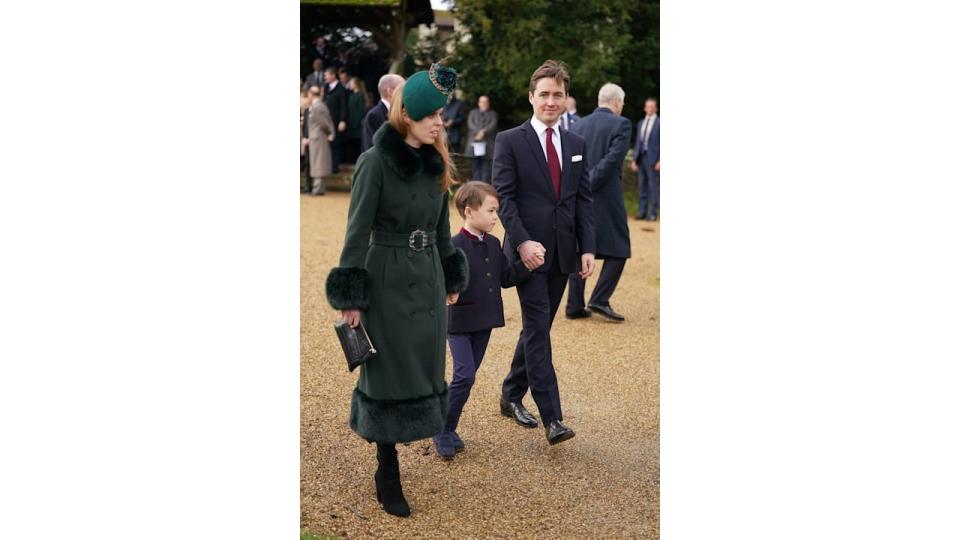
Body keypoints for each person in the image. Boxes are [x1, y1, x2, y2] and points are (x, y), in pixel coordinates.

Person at [325, 63, 468, 518]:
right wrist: (351, 296)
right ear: (407, 116)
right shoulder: (374, 162)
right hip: (384, 276)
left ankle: (412, 441)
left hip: (426, 277)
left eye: (441, 116)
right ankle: (387, 469)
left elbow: (442, 228)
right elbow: (356, 231)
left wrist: (450, 275)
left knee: (423, 364)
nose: (439, 123)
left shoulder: (434, 162)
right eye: (431, 116)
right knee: (386, 369)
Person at [492, 59, 595, 445]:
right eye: (544, 94)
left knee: (539, 328)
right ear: (531, 97)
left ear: (566, 98)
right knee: (538, 329)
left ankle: (510, 393)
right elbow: (505, 199)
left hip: (564, 253)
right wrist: (521, 242)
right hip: (527, 254)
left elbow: (583, 200)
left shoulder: (576, 144)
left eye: (558, 94)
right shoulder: (509, 140)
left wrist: (588, 248)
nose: (551, 101)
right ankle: (553, 417)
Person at [433, 181, 530, 460]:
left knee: (466, 379)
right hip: (459, 321)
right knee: (465, 375)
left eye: (496, 211)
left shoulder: (493, 243)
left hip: (484, 321)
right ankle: (442, 428)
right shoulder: (452, 245)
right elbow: (438, 280)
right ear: (468, 211)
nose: (495, 216)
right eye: (490, 210)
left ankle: (447, 427)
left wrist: (528, 265)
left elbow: (504, 278)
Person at [566, 83, 632, 321]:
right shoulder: (622, 124)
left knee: (579, 247)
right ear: (616, 102)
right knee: (619, 248)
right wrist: (590, 182)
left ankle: (574, 305)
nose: (622, 107)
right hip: (606, 196)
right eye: (622, 103)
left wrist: (578, 185)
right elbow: (612, 160)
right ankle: (599, 299)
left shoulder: (578, 124)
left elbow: (572, 161)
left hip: (579, 195)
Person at [631, 97, 660, 220]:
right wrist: (634, 159)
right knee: (642, 185)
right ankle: (642, 212)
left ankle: (653, 212)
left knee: (653, 186)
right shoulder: (641, 123)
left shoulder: (660, 123)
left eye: (652, 106)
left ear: (656, 108)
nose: (649, 109)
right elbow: (638, 142)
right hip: (641, 157)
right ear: (644, 108)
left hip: (653, 158)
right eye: (647, 106)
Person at [361, 74, 404, 153]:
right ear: (390, 91)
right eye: (401, 89)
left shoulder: (402, 112)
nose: (404, 93)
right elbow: (371, 148)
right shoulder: (374, 115)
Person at [306, 86, 334, 195]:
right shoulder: (319, 106)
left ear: (312, 94)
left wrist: (329, 132)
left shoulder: (317, 106)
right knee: (318, 162)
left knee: (318, 162)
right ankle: (318, 188)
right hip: (317, 137)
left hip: (318, 137)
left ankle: (317, 188)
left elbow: (323, 122)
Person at [464, 96, 497, 182]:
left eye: (486, 102)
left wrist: (484, 132)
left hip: (487, 144)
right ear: (478, 103)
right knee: (475, 166)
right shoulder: (473, 113)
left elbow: (493, 124)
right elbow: (470, 123)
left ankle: (484, 186)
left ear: (488, 104)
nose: (484, 104)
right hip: (474, 142)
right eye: (482, 102)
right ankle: (476, 185)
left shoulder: (493, 114)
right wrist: (478, 132)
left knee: (486, 166)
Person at [323, 67, 349, 173]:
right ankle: (328, 165)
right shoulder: (326, 87)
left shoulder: (341, 89)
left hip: (336, 120)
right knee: (327, 143)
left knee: (335, 144)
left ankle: (334, 166)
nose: (325, 77)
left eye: (327, 75)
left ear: (333, 75)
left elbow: (344, 106)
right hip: (326, 120)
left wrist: (343, 120)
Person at [345, 77, 371, 163]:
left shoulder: (359, 96)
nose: (350, 85)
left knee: (356, 143)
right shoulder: (351, 95)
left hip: (356, 125)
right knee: (351, 143)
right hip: (351, 123)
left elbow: (360, 111)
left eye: (351, 83)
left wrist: (355, 123)